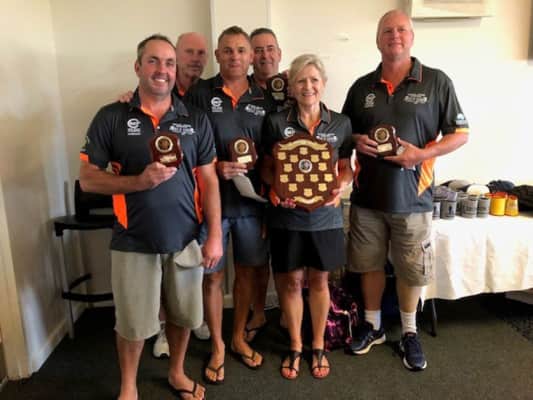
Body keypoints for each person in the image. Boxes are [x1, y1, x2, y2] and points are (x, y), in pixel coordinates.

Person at [79, 34, 222, 400]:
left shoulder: (195, 119)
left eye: (169, 63)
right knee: (132, 324)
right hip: (133, 239)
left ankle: (176, 373)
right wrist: (138, 182)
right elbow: (89, 179)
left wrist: (215, 235)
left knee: (183, 316)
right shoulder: (112, 116)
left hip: (185, 238)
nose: (163, 69)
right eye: (154, 61)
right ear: (138, 66)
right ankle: (128, 387)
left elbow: (208, 179)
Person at [342, 9, 469, 371]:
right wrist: (356, 140)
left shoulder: (436, 82)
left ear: (411, 37)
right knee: (368, 265)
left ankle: (410, 332)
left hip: (414, 199)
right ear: (377, 39)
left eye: (401, 30)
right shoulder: (361, 86)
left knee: (412, 271)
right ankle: (373, 326)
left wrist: (422, 154)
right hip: (367, 197)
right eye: (387, 30)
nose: (394, 35)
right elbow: (342, 132)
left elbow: (460, 134)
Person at [185, 26, 276, 384]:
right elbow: (188, 145)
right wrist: (215, 166)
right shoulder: (199, 93)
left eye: (241, 50)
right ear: (218, 55)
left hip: (252, 204)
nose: (234, 56)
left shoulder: (265, 97)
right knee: (213, 275)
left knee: (248, 272)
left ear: (251, 57)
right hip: (213, 203)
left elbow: (273, 152)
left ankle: (238, 336)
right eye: (227, 50)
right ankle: (218, 345)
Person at [260, 54, 353, 380]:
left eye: (314, 80)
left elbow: (346, 167)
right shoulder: (275, 122)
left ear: (323, 84)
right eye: (301, 80)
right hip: (288, 218)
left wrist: (341, 186)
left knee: (319, 281)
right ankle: (296, 345)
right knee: (291, 282)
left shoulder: (341, 123)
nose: (308, 86)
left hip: (325, 218)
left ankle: (318, 345)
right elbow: (266, 167)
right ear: (291, 86)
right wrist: (275, 190)